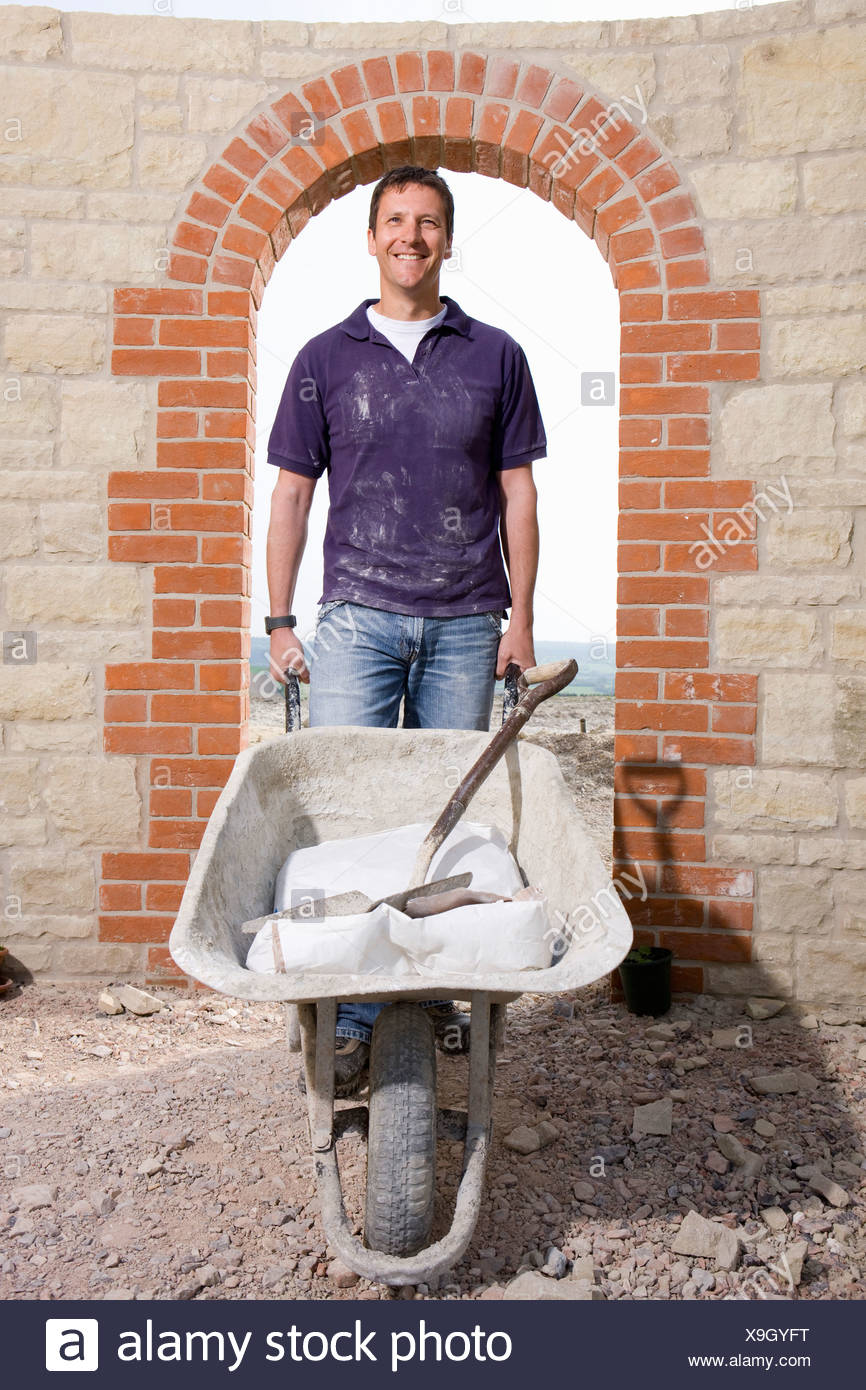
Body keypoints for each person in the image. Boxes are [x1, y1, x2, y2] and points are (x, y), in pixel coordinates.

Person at [265, 164, 547, 1095]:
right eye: (395, 221)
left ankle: (429, 1000)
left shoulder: (496, 354)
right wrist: (279, 619)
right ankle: (349, 1017)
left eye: (428, 222)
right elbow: (293, 497)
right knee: (352, 819)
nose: (411, 237)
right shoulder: (325, 358)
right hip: (355, 622)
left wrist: (522, 621)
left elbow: (519, 494)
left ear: (448, 240)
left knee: (445, 822)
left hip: (469, 621)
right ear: (373, 238)